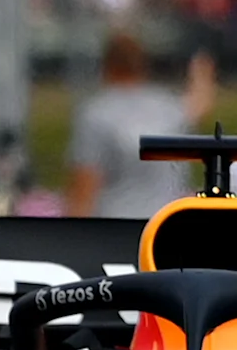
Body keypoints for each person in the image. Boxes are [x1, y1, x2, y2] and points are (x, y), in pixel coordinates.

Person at [67, 33, 215, 215]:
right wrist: (201, 71)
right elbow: (199, 105)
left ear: (106, 66)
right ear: (143, 65)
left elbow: (86, 183)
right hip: (164, 224)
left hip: (115, 226)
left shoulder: (97, 114)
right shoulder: (168, 108)